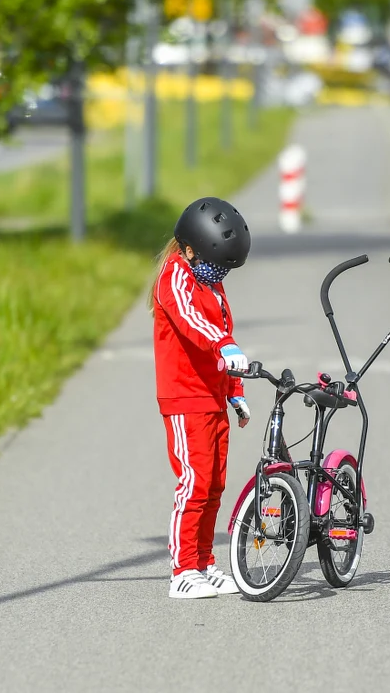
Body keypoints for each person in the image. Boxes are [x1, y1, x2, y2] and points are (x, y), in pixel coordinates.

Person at [149, 197, 254, 600]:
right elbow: (193, 323)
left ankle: (205, 562)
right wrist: (224, 345)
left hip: (213, 397)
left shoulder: (212, 283)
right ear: (190, 249)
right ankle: (182, 571)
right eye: (216, 263)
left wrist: (236, 391)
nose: (220, 273)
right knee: (193, 483)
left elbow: (222, 331)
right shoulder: (173, 277)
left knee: (214, 486)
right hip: (185, 398)